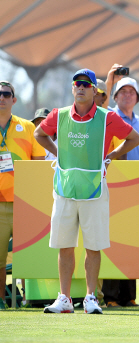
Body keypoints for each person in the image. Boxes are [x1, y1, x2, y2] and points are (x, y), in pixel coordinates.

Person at [34, 69, 139, 314]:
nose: (80, 87)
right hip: (64, 188)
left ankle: (91, 297)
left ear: (95, 90)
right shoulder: (58, 115)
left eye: (86, 84)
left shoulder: (107, 117)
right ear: (73, 89)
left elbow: (134, 138)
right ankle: (64, 299)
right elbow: (39, 133)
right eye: (77, 84)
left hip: (94, 188)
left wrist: (111, 156)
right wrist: (58, 151)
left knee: (93, 246)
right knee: (65, 246)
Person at [101, 65, 139, 307]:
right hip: (113, 182)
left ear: (137, 98)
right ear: (116, 96)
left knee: (132, 241)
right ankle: (109, 296)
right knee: (112, 240)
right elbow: (100, 105)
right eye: (123, 92)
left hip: (135, 185)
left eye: (132, 92)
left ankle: (128, 296)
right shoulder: (108, 116)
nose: (127, 95)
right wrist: (110, 81)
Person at [0, 81, 45, 310]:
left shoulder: (27, 127)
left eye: (6, 94)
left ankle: (30, 299)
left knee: (28, 254)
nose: (2, 97)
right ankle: (0, 300)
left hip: (23, 202)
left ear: (14, 100)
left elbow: (38, 163)